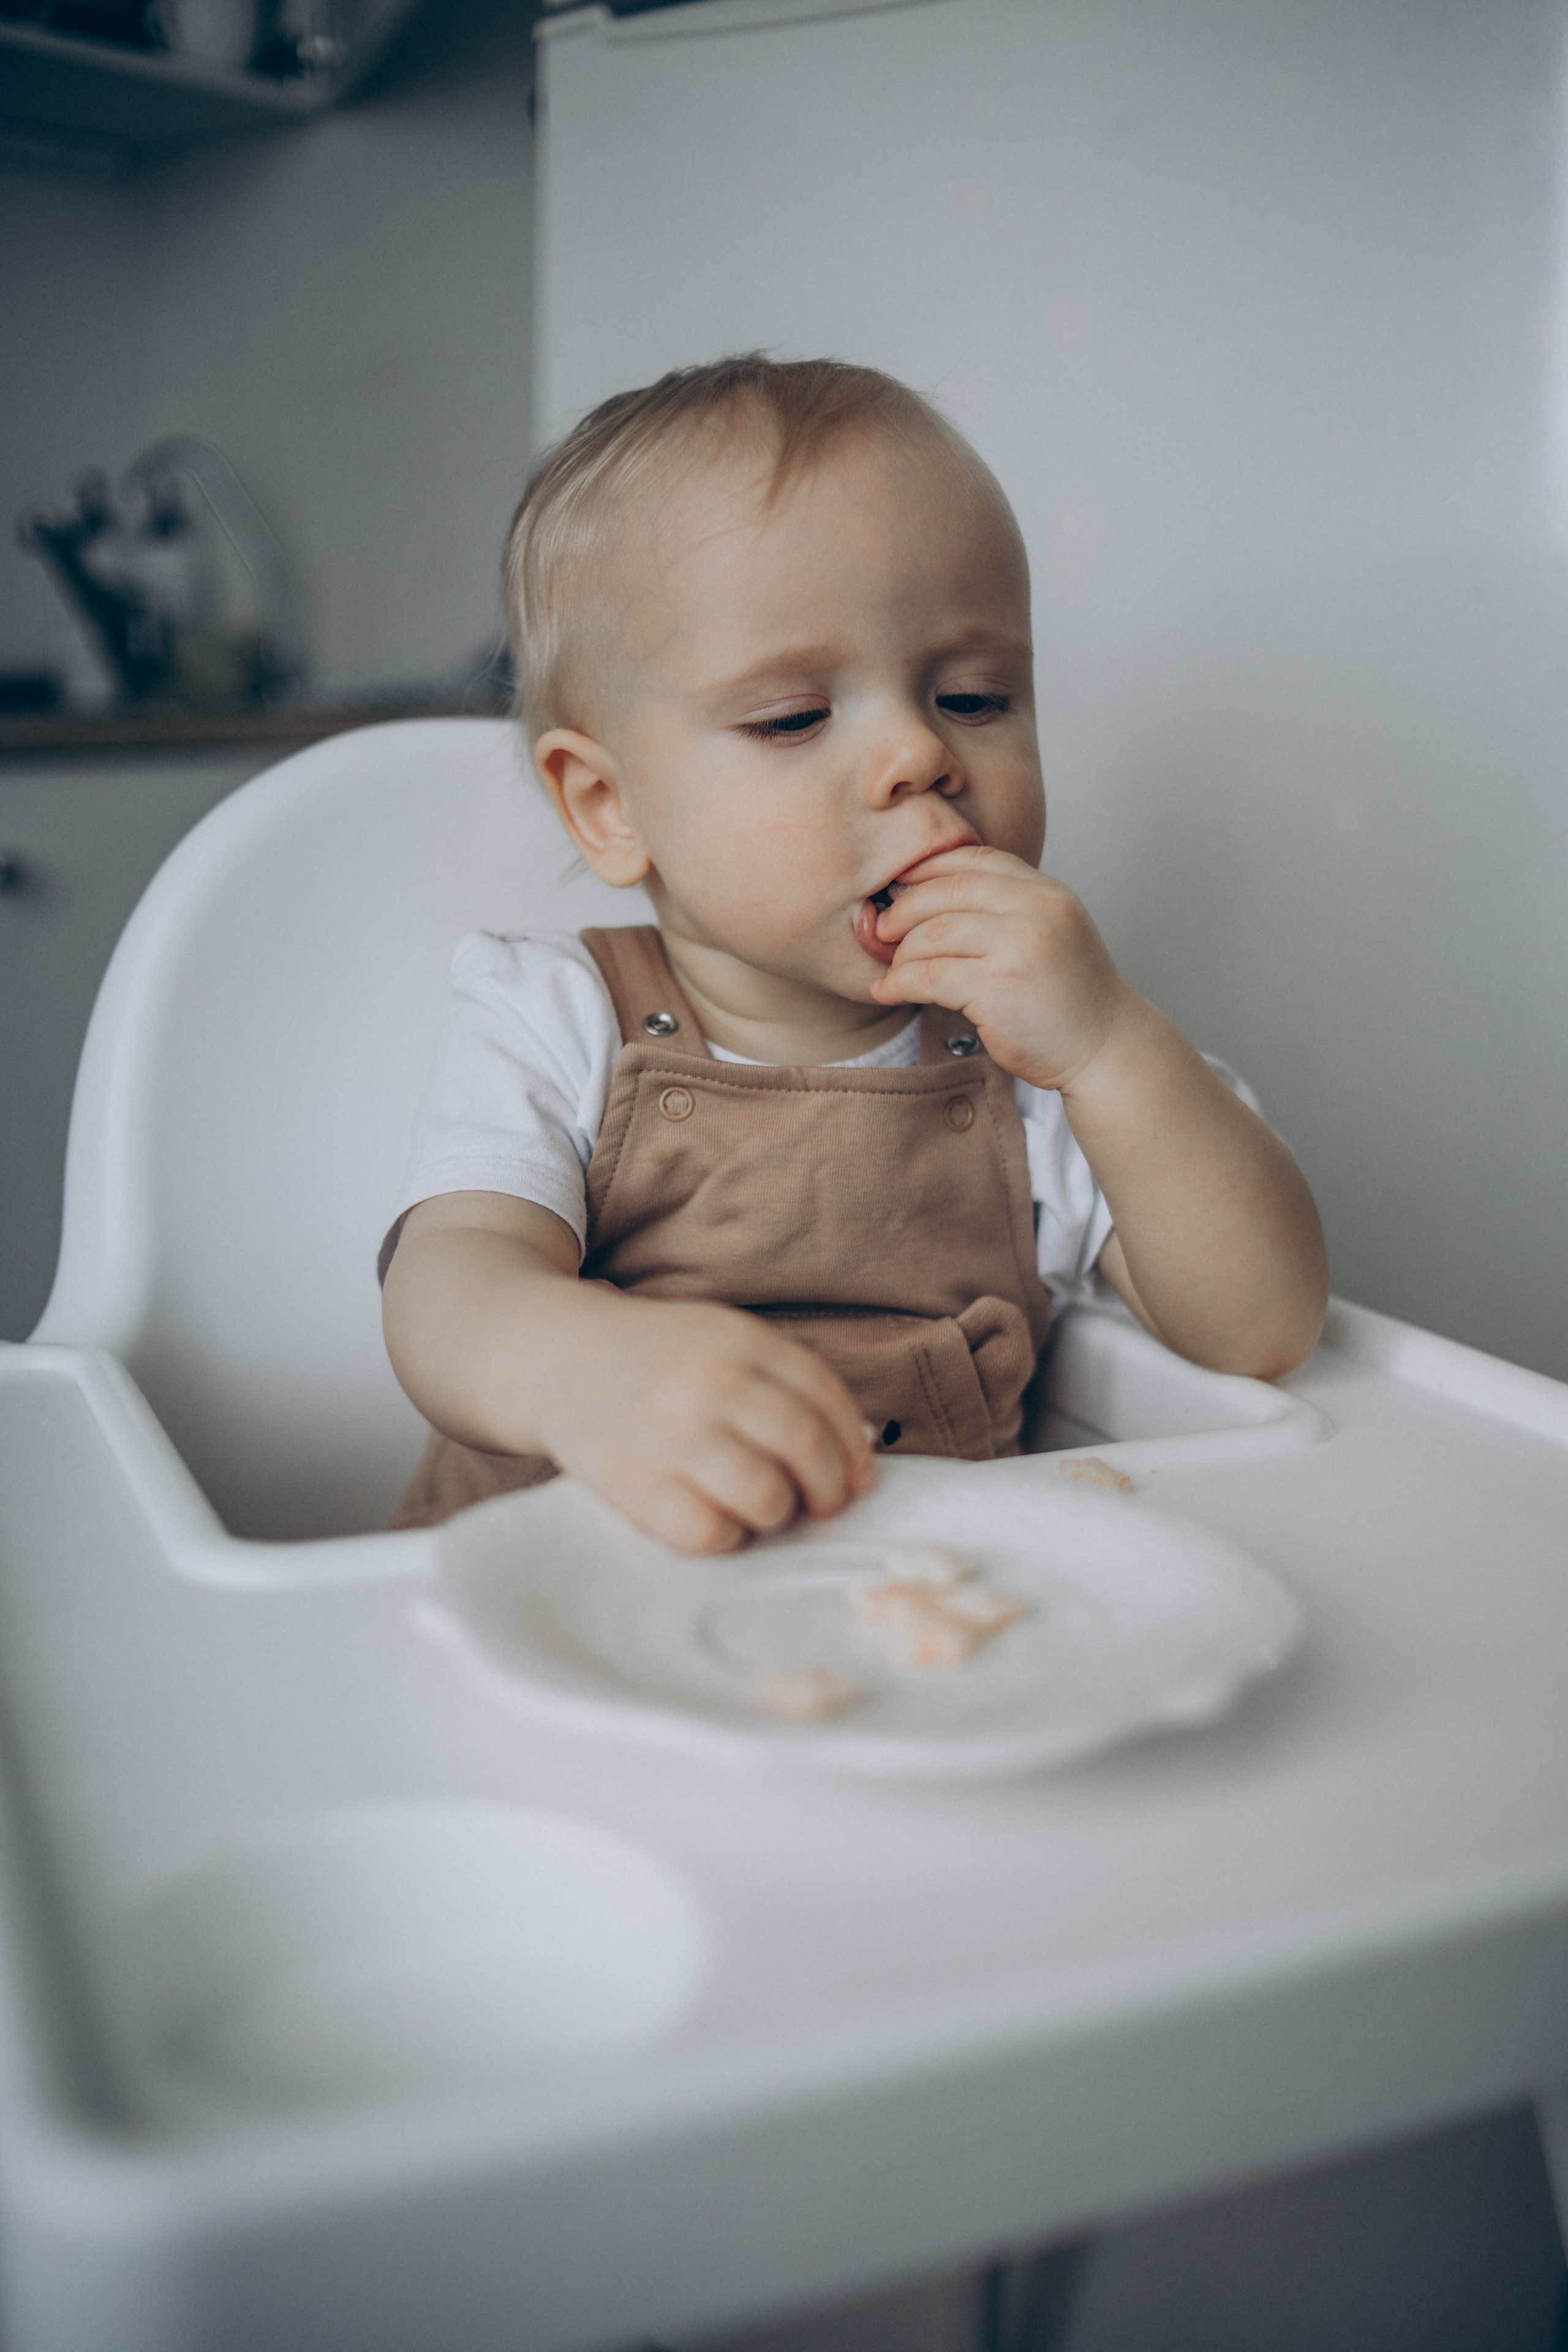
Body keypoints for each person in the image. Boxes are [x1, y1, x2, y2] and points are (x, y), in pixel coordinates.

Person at [380, 356, 1327, 1548]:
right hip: (558, 1599)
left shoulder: (1039, 1064)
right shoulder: (553, 1015)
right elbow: (444, 1288)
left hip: (917, 1611)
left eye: (974, 697)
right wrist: (575, 1369)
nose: (919, 758)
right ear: (609, 805)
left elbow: (1261, 1332)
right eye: (792, 717)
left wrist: (1108, 1046)